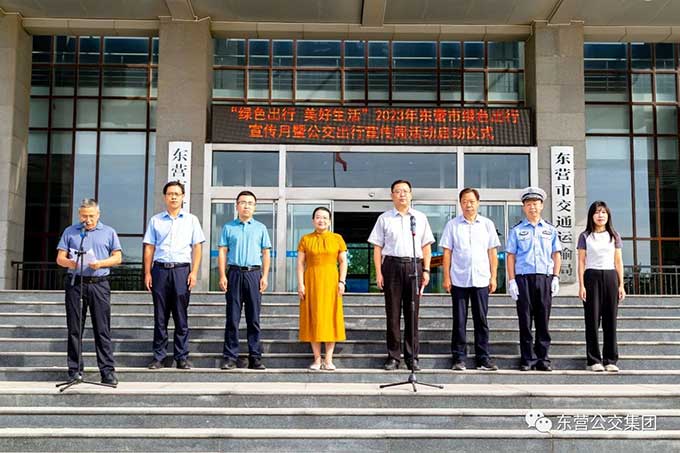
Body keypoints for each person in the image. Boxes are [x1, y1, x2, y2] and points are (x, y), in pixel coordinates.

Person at [368, 179, 435, 371]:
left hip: (414, 265)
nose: (402, 194)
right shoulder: (384, 218)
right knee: (393, 314)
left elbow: (426, 247)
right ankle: (393, 357)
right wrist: (378, 273)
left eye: (405, 191)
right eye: (398, 191)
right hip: (392, 267)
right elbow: (377, 248)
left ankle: (412, 357)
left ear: (411, 194)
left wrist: (426, 270)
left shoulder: (420, 218)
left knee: (413, 313)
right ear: (392, 196)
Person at [56, 198, 122, 385]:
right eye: (84, 216)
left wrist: (100, 263)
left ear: (98, 214)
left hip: (99, 284)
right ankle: (74, 370)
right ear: (79, 215)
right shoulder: (70, 232)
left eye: (91, 216)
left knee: (102, 328)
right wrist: (72, 262)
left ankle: (107, 372)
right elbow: (60, 258)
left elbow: (117, 257)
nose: (88, 220)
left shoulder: (108, 232)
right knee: (74, 328)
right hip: (76, 283)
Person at [143, 180, 205, 370]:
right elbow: (149, 248)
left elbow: (197, 247)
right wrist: (147, 272)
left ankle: (181, 357)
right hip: (160, 271)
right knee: (160, 316)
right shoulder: (156, 220)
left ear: (183, 197)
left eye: (177, 194)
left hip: (181, 271)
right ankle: (159, 357)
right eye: (170, 194)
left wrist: (194, 272)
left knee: (180, 316)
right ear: (165, 197)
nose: (173, 197)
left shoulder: (191, 220)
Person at [440, 188, 500, 372]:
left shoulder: (487, 224)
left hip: (481, 279)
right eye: (465, 201)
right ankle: (458, 358)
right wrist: (446, 277)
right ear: (460, 204)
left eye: (472, 201)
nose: (468, 205)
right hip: (459, 279)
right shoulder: (452, 225)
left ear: (478, 203)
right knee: (459, 321)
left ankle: (483, 358)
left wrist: (493, 277)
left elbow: (492, 253)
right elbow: (447, 253)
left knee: (481, 320)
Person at [506, 186, 562, 372]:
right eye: (529, 204)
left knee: (543, 320)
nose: (532, 207)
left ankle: (543, 359)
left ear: (542, 205)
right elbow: (511, 256)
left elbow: (556, 254)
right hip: (523, 279)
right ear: (524, 207)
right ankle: (527, 359)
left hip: (544, 279)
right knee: (525, 320)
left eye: (535, 203)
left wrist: (556, 277)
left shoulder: (550, 230)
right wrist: (512, 281)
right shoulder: (517, 230)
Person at [218, 190, 272, 370]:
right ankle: (230, 357)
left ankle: (255, 357)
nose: (246, 206)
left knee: (253, 318)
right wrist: (222, 275)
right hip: (234, 273)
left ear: (254, 207)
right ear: (237, 206)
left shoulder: (261, 228)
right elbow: (222, 252)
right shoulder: (228, 227)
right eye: (243, 202)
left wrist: (265, 276)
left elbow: (266, 253)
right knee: (232, 318)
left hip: (253, 274)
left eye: (250, 203)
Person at [297, 207, 348, 371]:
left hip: (331, 282)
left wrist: (342, 281)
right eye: (318, 217)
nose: (322, 220)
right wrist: (300, 284)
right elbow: (300, 263)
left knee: (330, 318)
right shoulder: (305, 239)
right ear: (313, 220)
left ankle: (329, 359)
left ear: (330, 221)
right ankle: (317, 359)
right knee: (314, 317)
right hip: (311, 281)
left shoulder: (337, 238)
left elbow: (343, 262)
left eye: (325, 217)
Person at [577, 201, 626, 372]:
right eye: (597, 212)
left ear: (608, 215)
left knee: (610, 320)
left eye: (604, 212)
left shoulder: (614, 236)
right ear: (591, 215)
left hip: (611, 277)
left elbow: (618, 261)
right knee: (592, 320)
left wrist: (621, 285)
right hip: (591, 277)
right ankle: (594, 360)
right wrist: (581, 286)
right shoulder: (585, 236)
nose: (600, 215)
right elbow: (581, 262)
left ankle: (610, 360)